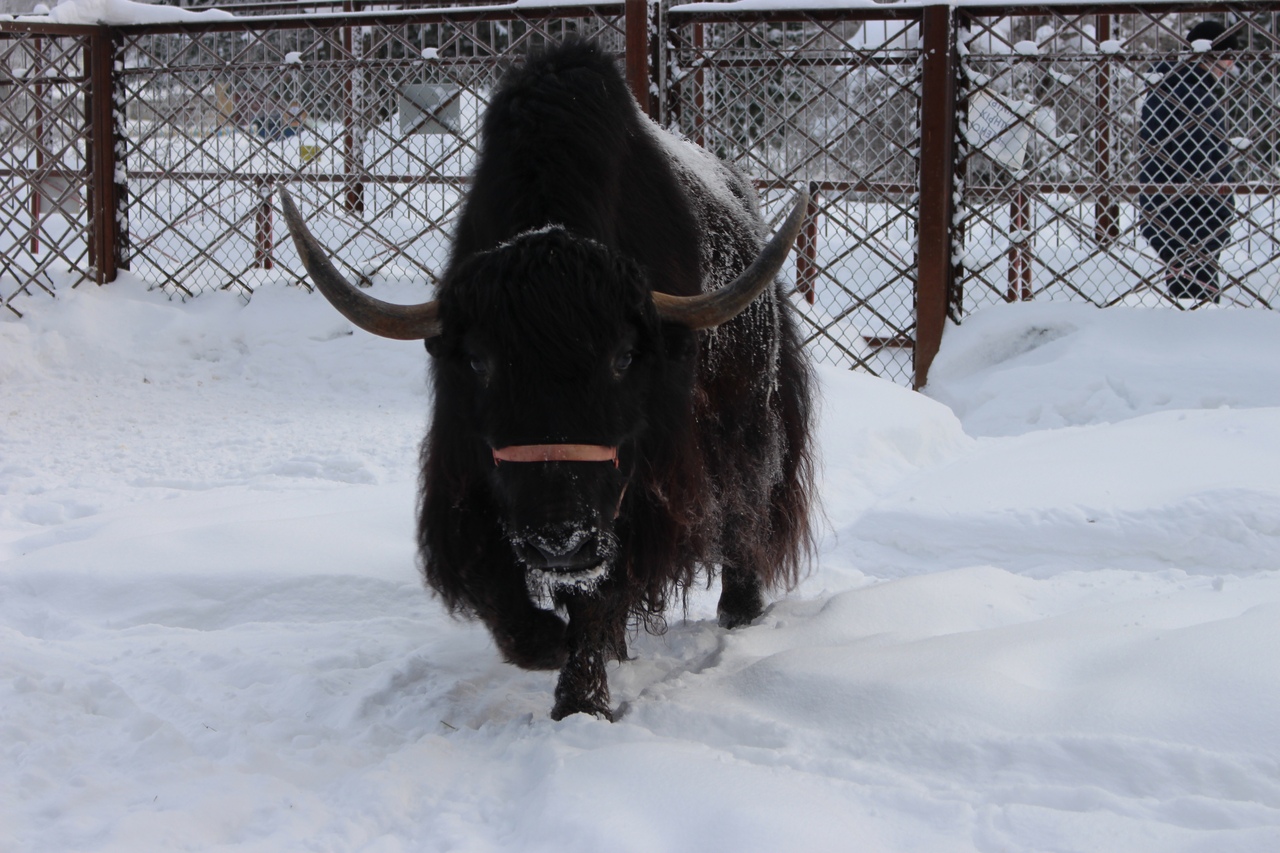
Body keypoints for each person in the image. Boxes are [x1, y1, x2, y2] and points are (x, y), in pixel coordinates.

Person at [1138, 20, 1240, 303]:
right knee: (1197, 301)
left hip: (1174, 211)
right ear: (1214, 55)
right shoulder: (1192, 93)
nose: (1231, 64)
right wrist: (1220, 207)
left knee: (1188, 296)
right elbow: (1204, 159)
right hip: (1191, 216)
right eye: (1227, 55)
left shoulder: (1174, 86)